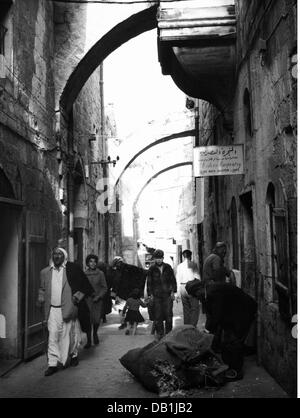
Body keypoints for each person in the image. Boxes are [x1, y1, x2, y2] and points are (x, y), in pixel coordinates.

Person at [37, 247, 94, 376]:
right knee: (52, 336)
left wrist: (76, 298)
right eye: (54, 254)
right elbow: (42, 289)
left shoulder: (71, 270)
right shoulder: (45, 272)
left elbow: (84, 286)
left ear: (64, 256)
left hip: (69, 308)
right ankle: (52, 364)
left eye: (59, 254)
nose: (57, 256)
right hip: (52, 310)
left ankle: (73, 355)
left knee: (70, 335)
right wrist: (40, 300)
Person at [186, 280, 257, 381]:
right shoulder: (205, 294)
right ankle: (228, 365)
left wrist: (208, 332)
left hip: (243, 311)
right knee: (226, 342)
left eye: (195, 295)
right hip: (231, 313)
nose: (196, 298)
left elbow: (216, 315)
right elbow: (210, 315)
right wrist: (206, 331)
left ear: (199, 290)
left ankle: (236, 372)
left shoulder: (214, 293)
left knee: (234, 342)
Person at [146, 249, 177, 340]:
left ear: (163, 258)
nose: (158, 260)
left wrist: (173, 292)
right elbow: (149, 283)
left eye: (160, 258)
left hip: (167, 295)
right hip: (156, 296)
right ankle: (160, 334)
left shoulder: (168, 267)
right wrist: (150, 294)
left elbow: (173, 280)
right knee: (158, 315)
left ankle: (169, 334)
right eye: (157, 258)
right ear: (155, 259)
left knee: (168, 315)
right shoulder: (152, 269)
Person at [110, 256, 146, 330]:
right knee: (123, 308)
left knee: (127, 308)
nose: (118, 265)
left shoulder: (128, 269)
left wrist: (138, 288)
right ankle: (126, 323)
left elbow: (142, 273)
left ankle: (127, 323)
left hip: (127, 292)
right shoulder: (118, 271)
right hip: (123, 293)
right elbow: (115, 283)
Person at [85, 254, 107, 347]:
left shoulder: (100, 274)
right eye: (90, 261)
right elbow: (83, 286)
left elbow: (104, 287)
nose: (93, 263)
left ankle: (95, 333)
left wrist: (98, 296)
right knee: (87, 320)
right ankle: (89, 340)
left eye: (94, 261)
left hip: (97, 301)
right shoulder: (84, 274)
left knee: (96, 319)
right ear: (87, 263)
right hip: (87, 300)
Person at [176, 249, 201, 327]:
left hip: (182, 287)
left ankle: (186, 327)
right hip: (192, 288)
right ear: (190, 256)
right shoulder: (193, 265)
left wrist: (178, 293)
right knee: (194, 308)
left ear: (183, 257)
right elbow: (197, 277)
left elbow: (178, 279)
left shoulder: (179, 266)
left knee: (186, 309)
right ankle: (192, 326)